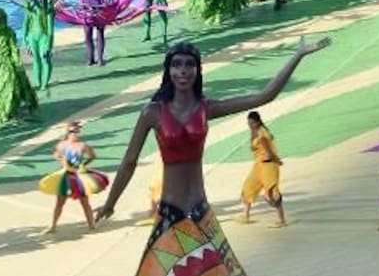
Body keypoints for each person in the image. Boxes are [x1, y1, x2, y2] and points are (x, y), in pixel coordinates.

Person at [93, 39, 328, 230]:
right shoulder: (152, 113)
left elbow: (265, 96)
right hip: (169, 214)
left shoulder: (206, 108)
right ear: (168, 70)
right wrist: (110, 203)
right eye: (177, 65)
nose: (183, 71)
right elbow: (129, 161)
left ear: (197, 70)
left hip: (200, 210)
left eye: (189, 65)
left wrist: (298, 55)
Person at [39, 123, 107, 234]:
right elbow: (58, 156)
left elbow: (93, 155)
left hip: (79, 177)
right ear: (67, 132)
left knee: (85, 202)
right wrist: (63, 161)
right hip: (66, 176)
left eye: (76, 132)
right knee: (60, 202)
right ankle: (53, 226)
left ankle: (91, 225)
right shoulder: (62, 145)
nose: (74, 134)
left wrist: (84, 164)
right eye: (71, 131)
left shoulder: (82, 146)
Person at [240, 111, 285, 226]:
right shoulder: (253, 131)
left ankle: (281, 219)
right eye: (248, 123)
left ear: (257, 122)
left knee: (272, 193)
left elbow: (270, 153)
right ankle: (246, 216)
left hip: (268, 165)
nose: (250, 125)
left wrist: (277, 161)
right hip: (259, 165)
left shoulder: (262, 135)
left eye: (252, 123)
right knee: (248, 187)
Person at [23, 0, 57, 91]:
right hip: (32, 36)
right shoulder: (30, 4)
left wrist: (48, 44)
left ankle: (44, 84)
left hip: (44, 36)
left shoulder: (49, 7)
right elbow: (26, 22)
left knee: (45, 59)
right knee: (36, 59)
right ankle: (38, 82)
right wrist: (24, 39)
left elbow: (50, 29)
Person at [78, 0, 113, 65]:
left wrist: (107, 5)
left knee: (100, 34)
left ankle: (100, 59)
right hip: (87, 13)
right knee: (88, 36)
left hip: (100, 12)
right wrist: (84, 7)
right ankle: (90, 59)